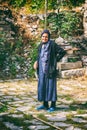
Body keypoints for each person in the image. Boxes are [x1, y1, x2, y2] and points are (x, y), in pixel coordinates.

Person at [33, 30, 66, 112]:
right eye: (43, 37)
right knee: (43, 86)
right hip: (41, 69)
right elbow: (39, 56)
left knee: (51, 86)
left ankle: (53, 105)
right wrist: (36, 62)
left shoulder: (52, 44)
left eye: (46, 37)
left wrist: (55, 60)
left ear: (49, 37)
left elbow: (62, 52)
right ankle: (45, 105)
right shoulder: (40, 45)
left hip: (50, 69)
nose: (44, 38)